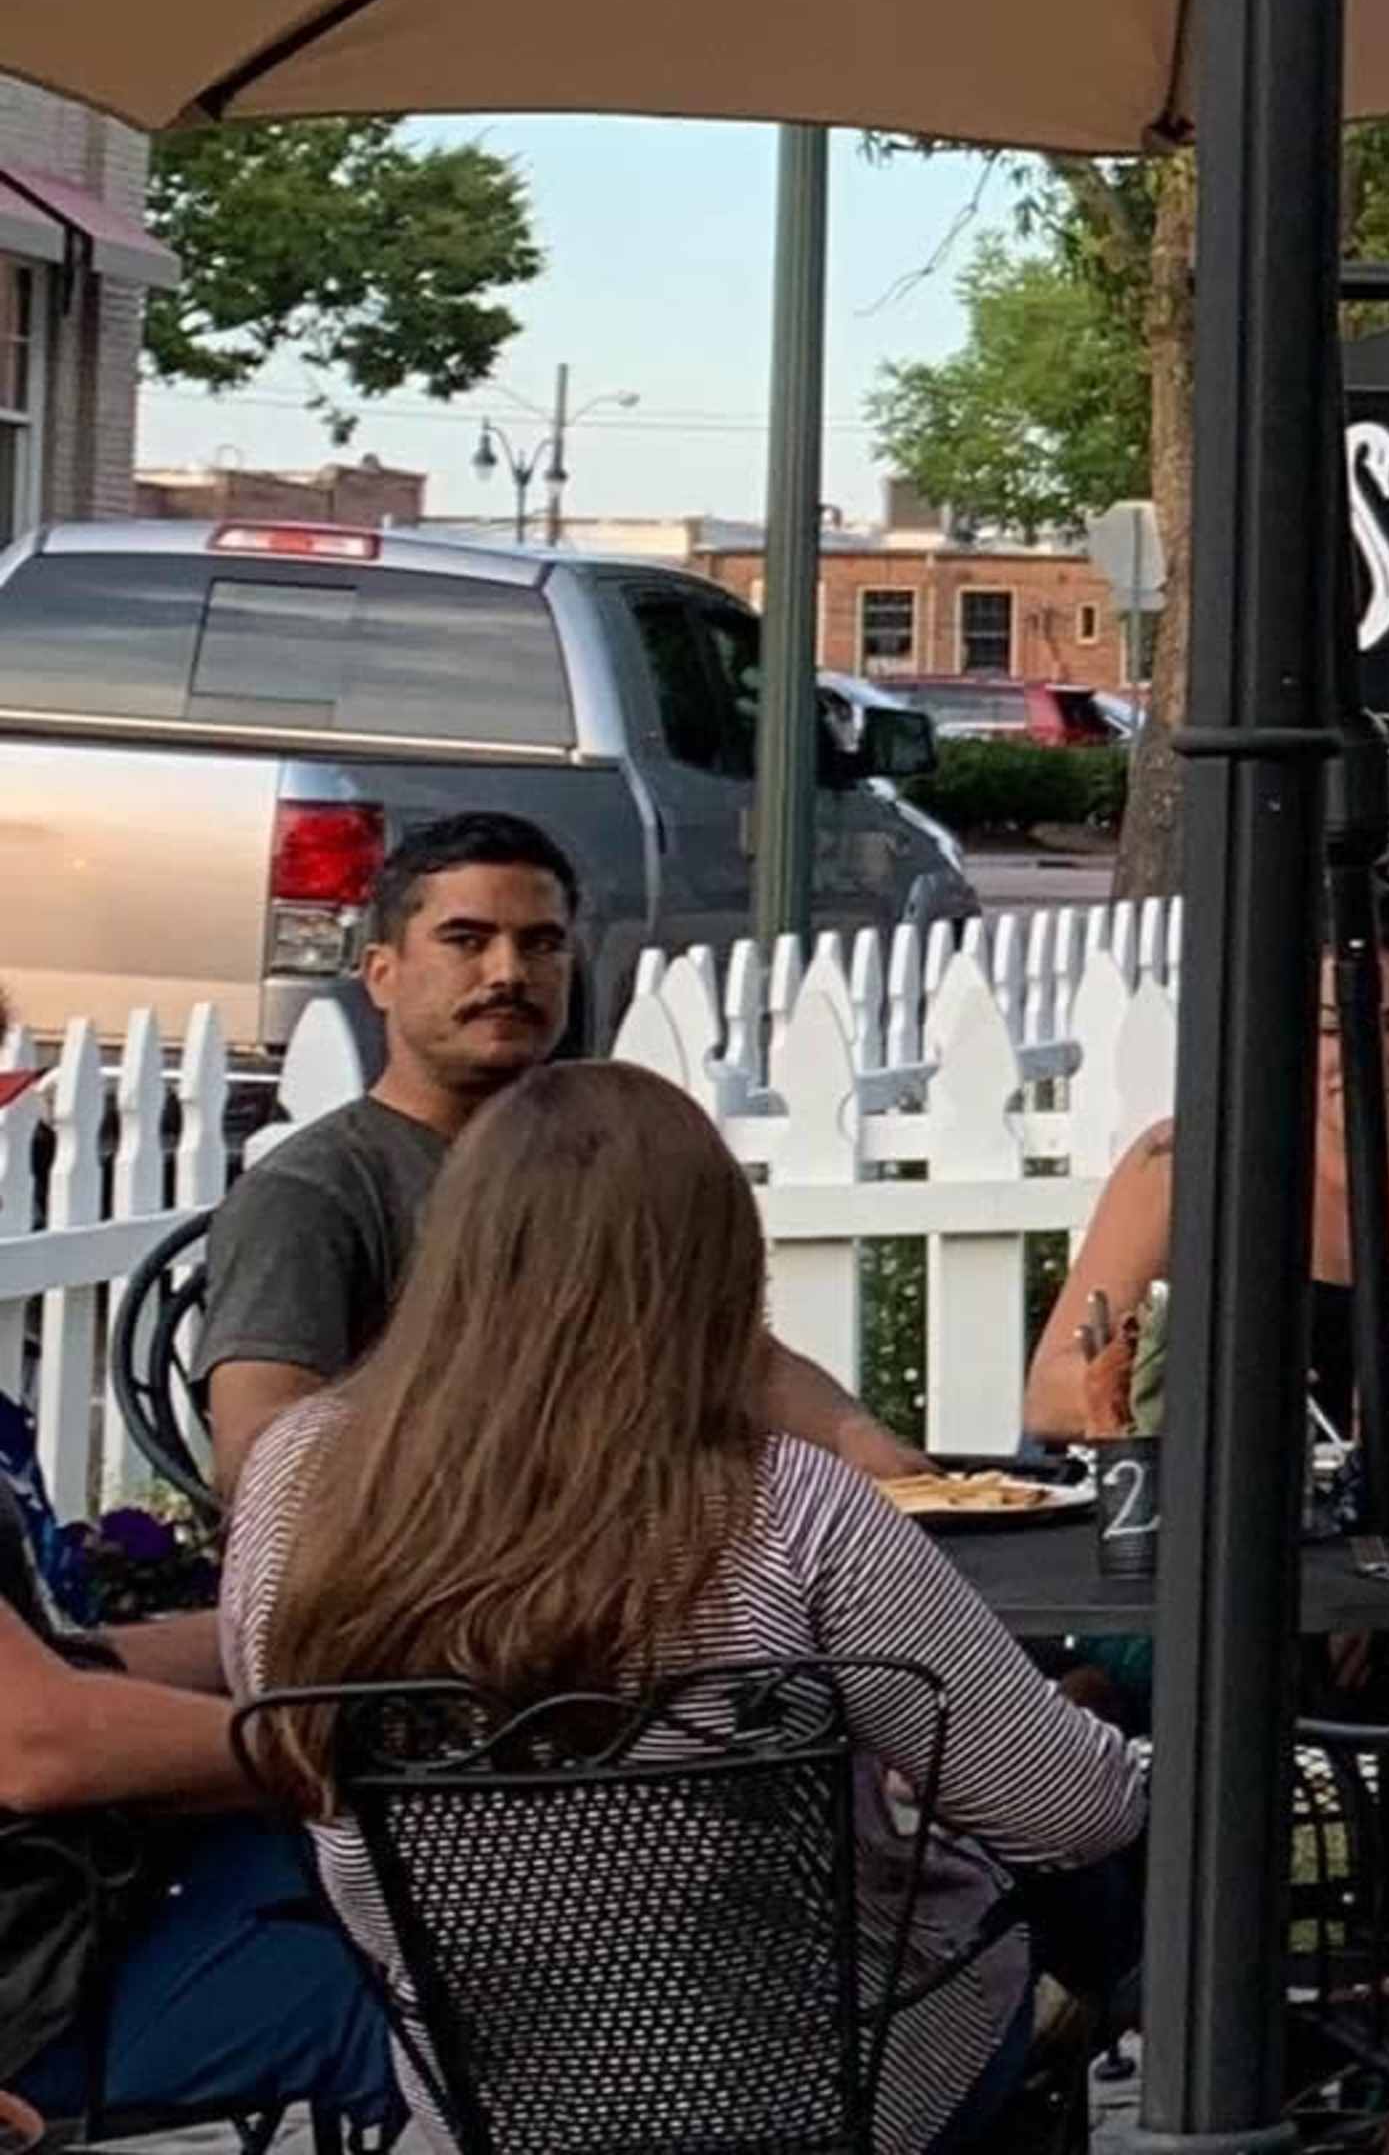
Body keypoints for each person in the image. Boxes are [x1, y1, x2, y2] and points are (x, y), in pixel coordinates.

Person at [227, 1063, 1147, 2155]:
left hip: (495, 2098)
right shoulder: (792, 1507)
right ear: (720, 1272)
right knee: (1085, 1888)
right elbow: (1070, 1810)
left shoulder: (297, 1483)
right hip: (835, 2088)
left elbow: (289, 1748)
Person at [199, 812, 917, 1495]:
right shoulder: (313, 1192)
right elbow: (258, 1457)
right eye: (466, 940)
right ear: (381, 973)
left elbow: (729, 1356)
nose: (509, 972)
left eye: (542, 944)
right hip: (429, 1587)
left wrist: (867, 1449)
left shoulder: (603, 1164)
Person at [0, 998, 394, 2146]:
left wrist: (330, 1637)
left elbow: (61, 1659)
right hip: (34, 1985)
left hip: (71, 1901)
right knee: (446, 2009)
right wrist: (376, 1743)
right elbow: (37, 1739)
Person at [1022, 861, 1389, 1447]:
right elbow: (1049, 1398)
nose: (1361, 1056)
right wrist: (1174, 1387)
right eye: (1330, 1029)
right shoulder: (1185, 1170)